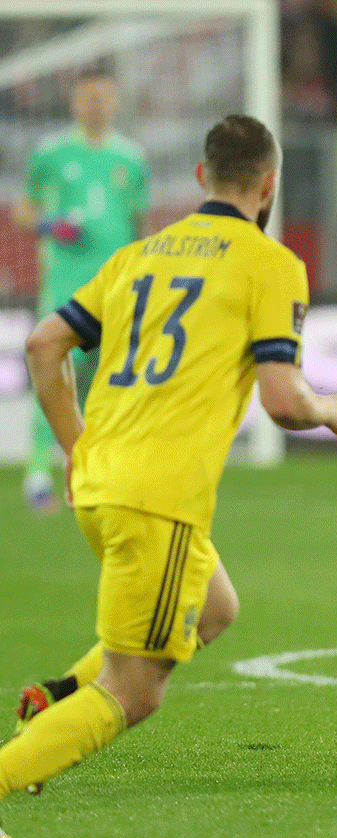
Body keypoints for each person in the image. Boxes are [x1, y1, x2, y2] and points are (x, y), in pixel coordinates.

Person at [0, 115, 337, 820]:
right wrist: (332, 409)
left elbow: (44, 346)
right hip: (155, 495)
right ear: (270, 184)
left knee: (216, 607)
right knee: (135, 691)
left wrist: (77, 447)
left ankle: (56, 700)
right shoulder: (269, 264)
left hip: (106, 479)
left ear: (201, 178)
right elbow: (283, 402)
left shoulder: (140, 254)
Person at [11, 67, 150, 513]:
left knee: (100, 384)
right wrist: (52, 225)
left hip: (115, 286)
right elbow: (23, 210)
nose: (95, 106)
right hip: (66, 285)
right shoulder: (51, 153)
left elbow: (139, 222)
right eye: (87, 98)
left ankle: (87, 472)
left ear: (114, 103)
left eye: (102, 98)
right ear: (74, 104)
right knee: (53, 372)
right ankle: (36, 472)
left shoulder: (131, 159)